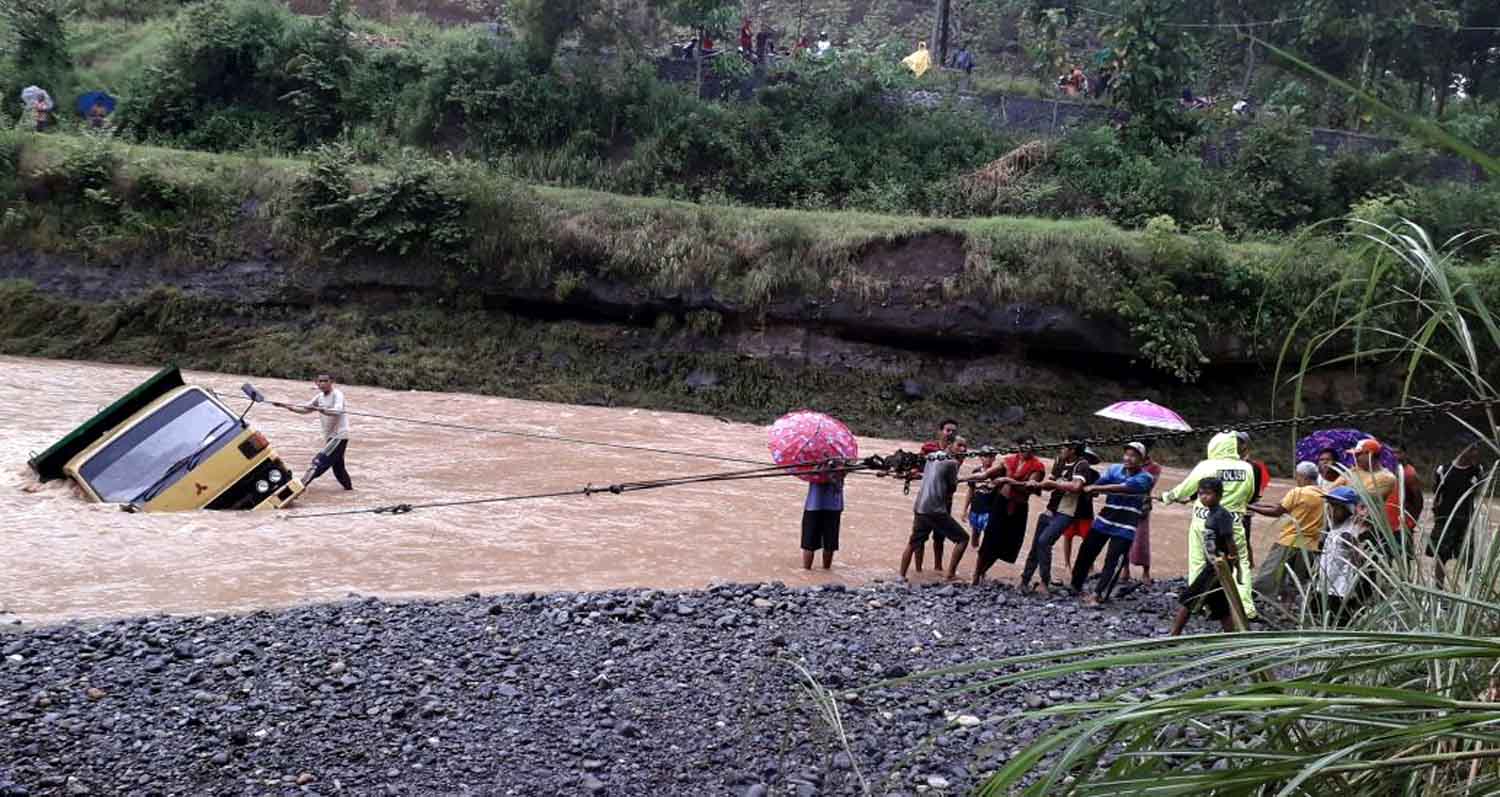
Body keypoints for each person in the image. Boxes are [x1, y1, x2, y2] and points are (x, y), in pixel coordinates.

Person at [1160, 432, 1258, 620]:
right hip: (1234, 522)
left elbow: (1185, 489)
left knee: (1199, 562)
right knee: (1239, 564)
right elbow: (1249, 495)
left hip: (1204, 521)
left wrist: (1167, 497)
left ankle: (1198, 604)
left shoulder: (1206, 466)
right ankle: (1245, 608)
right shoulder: (1247, 468)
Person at [1074, 442, 1157, 605]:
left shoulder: (1146, 478)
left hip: (1126, 525)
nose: (1128, 458)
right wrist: (1090, 487)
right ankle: (1075, 585)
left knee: (1113, 560)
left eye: (1133, 456)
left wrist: (1096, 489)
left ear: (1142, 459)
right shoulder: (1114, 469)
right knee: (1086, 551)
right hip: (1105, 518)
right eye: (1126, 454)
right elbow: (1101, 483)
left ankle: (1099, 594)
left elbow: (1124, 487)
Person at [1019, 440, 1097, 595]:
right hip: (1051, 509)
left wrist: (1054, 484)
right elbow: (1052, 483)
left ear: (1073, 450)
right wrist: (1037, 485)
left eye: (1064, 447)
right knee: (1036, 546)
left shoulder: (1082, 465)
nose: (1061, 449)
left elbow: (1076, 487)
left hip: (1066, 512)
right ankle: (1025, 580)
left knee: (1044, 541)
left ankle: (1044, 582)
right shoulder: (1060, 461)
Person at [1169, 478, 1243, 635]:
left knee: (1189, 598)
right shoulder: (1212, 513)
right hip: (1214, 564)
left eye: (1208, 494)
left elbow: (1230, 540)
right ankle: (1232, 638)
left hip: (1217, 566)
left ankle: (1173, 635)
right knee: (1220, 605)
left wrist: (1232, 561)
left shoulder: (1222, 515)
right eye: (1201, 493)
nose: (1204, 497)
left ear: (1219, 495)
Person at [971, 435, 1046, 583]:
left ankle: (982, 572)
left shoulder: (1037, 466)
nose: (1028, 448)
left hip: (1018, 508)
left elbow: (1030, 486)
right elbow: (986, 474)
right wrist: (963, 479)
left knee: (1006, 544)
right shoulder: (1008, 461)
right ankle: (976, 574)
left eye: (1031, 445)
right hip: (1000, 504)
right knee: (989, 541)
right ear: (1018, 446)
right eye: (1025, 444)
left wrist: (1007, 480)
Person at [1248, 461, 1325, 606]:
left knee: (1269, 575)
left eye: (1297, 476)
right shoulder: (1324, 494)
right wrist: (1257, 505)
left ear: (1303, 476)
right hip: (1310, 545)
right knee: (1295, 579)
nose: (1297, 479)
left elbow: (1277, 511)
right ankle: (1286, 609)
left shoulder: (1298, 492)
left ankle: (1254, 602)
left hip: (1289, 541)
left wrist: (1250, 507)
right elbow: (1282, 507)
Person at [900, 437, 970, 581]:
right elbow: (952, 488)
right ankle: (950, 574)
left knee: (913, 543)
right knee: (963, 539)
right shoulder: (952, 463)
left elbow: (930, 476)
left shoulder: (932, 456)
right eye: (960, 445)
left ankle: (902, 576)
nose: (963, 449)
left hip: (920, 507)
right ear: (950, 445)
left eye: (965, 446)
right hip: (935, 510)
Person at [1431, 442, 1485, 588]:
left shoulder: (1477, 470)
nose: (1475, 453)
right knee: (1441, 556)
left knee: (1468, 557)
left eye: (1476, 450)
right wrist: (1438, 516)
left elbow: (1478, 492)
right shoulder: (1444, 470)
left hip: (1466, 520)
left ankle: (1469, 591)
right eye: (1472, 449)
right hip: (1446, 520)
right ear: (1460, 449)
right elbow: (1436, 495)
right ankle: (1438, 589)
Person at [284, 373, 353, 490]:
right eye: (320, 381)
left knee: (318, 462)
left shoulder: (337, 394)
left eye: (325, 381)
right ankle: (350, 491)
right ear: (316, 383)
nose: (322, 384)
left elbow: (337, 410)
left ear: (331, 381)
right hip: (330, 437)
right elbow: (305, 409)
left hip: (339, 436)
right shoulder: (319, 397)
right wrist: (287, 407)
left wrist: (323, 410)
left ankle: (300, 486)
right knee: (338, 468)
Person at [913, 419, 960, 573]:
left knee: (940, 536)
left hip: (945, 498)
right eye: (948, 430)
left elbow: (954, 470)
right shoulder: (928, 448)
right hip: (928, 497)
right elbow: (918, 465)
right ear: (940, 431)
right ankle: (918, 569)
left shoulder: (957, 450)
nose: (951, 433)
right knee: (919, 537)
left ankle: (938, 568)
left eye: (954, 431)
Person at [1318, 486, 1368, 623]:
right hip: (1326, 586)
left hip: (1339, 592)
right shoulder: (1335, 528)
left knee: (1335, 622)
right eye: (1330, 506)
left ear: (1348, 510)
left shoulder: (1347, 533)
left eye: (1336, 507)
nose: (1331, 510)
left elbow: (1359, 561)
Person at [1123, 444, 1161, 585]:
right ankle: (1124, 570)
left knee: (1141, 540)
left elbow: (1147, 485)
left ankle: (1146, 572)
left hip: (1142, 507)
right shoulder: (1125, 465)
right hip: (1125, 504)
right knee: (1123, 538)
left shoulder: (1154, 467)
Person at [1237, 432, 1271, 569]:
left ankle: (1247, 568)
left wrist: (1247, 506)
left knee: (1243, 540)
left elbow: (1255, 492)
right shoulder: (1226, 464)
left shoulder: (1254, 467)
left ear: (1245, 446)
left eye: (1238, 442)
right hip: (1231, 507)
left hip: (1245, 508)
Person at [801, 469, 845, 570]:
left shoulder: (814, 458)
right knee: (811, 543)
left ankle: (819, 571)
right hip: (821, 504)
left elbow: (843, 475)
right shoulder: (842, 458)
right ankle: (810, 571)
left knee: (826, 543)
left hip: (821, 504)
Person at [1383, 439, 1423, 542]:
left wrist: (1412, 523)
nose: (1395, 456)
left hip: (1402, 524)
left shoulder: (1409, 473)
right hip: (1385, 523)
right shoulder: (1385, 471)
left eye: (1398, 452)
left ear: (1405, 454)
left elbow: (1418, 501)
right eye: (1392, 453)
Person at [963, 449, 997, 553]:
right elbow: (970, 491)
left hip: (989, 510)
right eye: (986, 456)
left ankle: (983, 554)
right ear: (981, 457)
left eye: (991, 456)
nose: (988, 459)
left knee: (988, 534)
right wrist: (965, 510)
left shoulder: (997, 473)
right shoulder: (976, 472)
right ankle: (974, 553)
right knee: (975, 533)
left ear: (994, 458)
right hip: (976, 508)